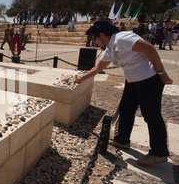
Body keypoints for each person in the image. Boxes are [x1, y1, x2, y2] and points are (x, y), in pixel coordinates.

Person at [74, 20, 173, 167]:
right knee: (126, 110)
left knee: (151, 115)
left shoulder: (122, 38)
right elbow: (97, 68)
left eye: (94, 38)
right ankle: (122, 140)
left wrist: (161, 72)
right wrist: (80, 79)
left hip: (148, 80)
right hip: (132, 81)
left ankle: (159, 153)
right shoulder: (109, 48)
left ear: (102, 35)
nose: (93, 41)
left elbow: (149, 49)